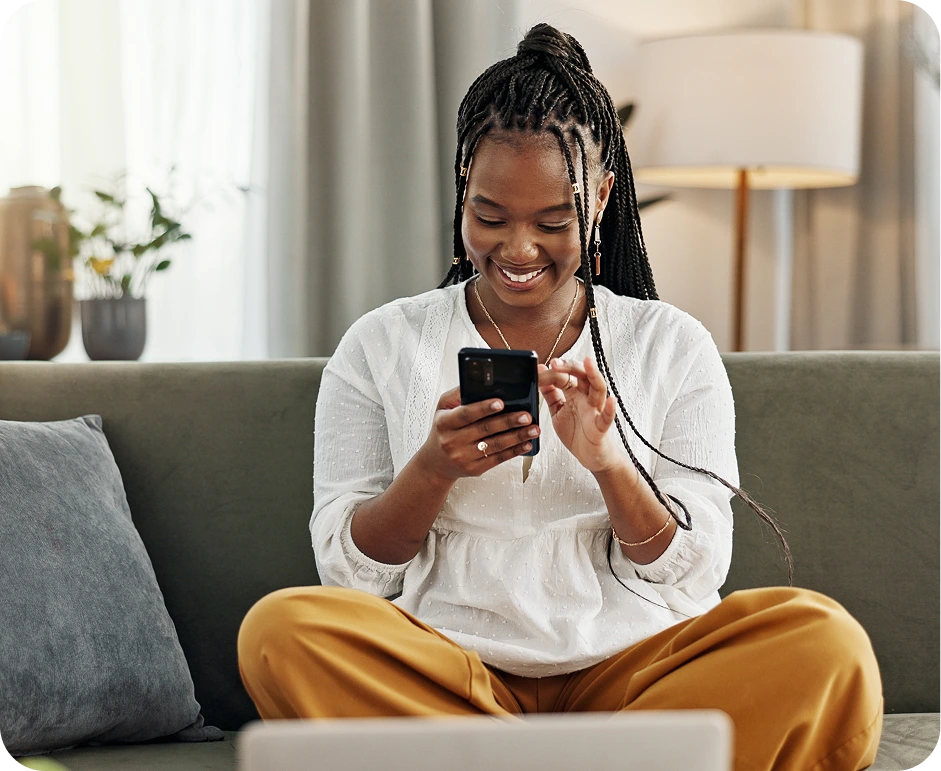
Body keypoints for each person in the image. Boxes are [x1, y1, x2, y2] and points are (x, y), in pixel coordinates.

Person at [238, 23, 883, 771]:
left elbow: (695, 570)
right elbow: (350, 575)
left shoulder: (670, 344)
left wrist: (610, 464)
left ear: (601, 197)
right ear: (460, 191)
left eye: (552, 221)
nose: (516, 250)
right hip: (447, 669)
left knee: (824, 643)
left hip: (635, 671)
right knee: (281, 630)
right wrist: (432, 469)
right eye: (489, 216)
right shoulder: (380, 345)